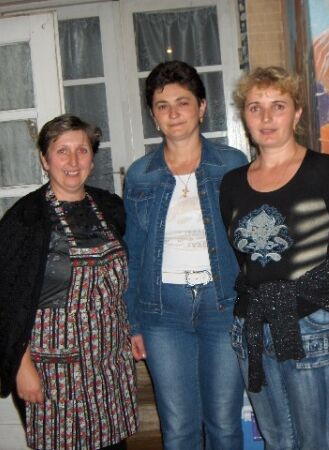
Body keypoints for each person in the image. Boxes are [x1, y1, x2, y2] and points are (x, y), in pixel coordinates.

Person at [220, 66, 329, 450]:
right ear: (244, 117)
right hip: (252, 326)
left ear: (297, 113)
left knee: (314, 442)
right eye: (255, 107)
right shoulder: (232, 184)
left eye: (278, 106)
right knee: (276, 440)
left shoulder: (324, 171)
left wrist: (316, 301)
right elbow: (244, 261)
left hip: (309, 327)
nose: (266, 117)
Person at [0, 114, 137, 450]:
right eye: (61, 151)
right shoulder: (24, 219)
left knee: (113, 444)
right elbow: (2, 299)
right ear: (45, 159)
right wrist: (20, 365)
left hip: (109, 359)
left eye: (82, 150)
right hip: (53, 366)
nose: (73, 161)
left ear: (92, 159)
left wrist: (135, 330)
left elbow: (129, 276)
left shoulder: (110, 207)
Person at [123, 60, 247, 450]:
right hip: (162, 310)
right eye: (162, 106)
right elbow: (134, 253)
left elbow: (249, 244)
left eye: (183, 103)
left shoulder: (232, 164)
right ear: (153, 116)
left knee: (224, 423)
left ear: (201, 108)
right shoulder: (139, 175)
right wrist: (134, 323)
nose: (173, 113)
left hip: (223, 304)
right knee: (178, 428)